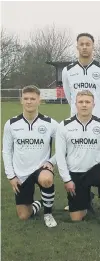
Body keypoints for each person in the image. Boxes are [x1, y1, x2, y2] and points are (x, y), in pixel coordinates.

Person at [62, 33, 100, 211]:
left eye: (88, 44)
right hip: (76, 122)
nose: (84, 47)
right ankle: (81, 195)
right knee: (75, 157)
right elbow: (70, 97)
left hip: (98, 122)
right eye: (81, 44)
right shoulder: (68, 70)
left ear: (93, 46)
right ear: (77, 46)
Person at [55, 90, 100, 227]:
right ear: (75, 104)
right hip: (75, 173)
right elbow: (60, 156)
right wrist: (67, 179)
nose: (84, 105)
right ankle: (87, 199)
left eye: (87, 102)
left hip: (95, 169)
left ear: (93, 104)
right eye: (81, 102)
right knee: (77, 218)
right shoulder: (64, 126)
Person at [2, 85, 58, 227]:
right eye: (26, 98)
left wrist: (51, 162)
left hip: (41, 168)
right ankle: (38, 203)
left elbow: (66, 145)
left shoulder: (50, 123)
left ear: (39, 100)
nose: (29, 101)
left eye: (32, 98)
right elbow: (6, 151)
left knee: (46, 179)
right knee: (23, 216)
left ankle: (48, 213)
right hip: (21, 173)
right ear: (21, 100)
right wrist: (11, 176)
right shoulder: (11, 124)